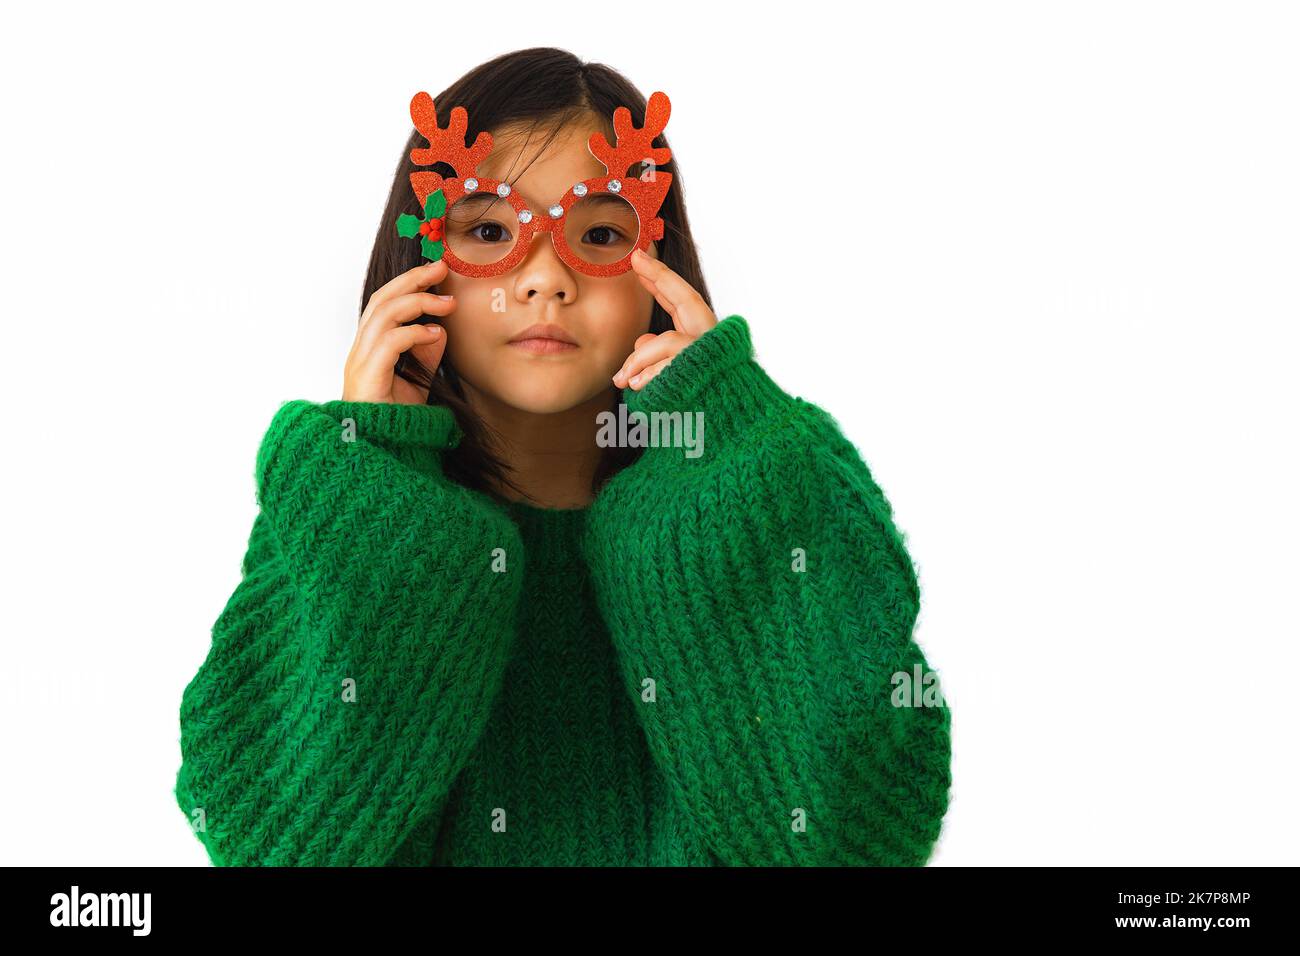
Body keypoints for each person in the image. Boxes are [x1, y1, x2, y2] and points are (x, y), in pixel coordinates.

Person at [173, 46, 952, 866]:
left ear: (662, 269)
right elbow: (272, 845)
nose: (544, 279)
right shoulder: (335, 500)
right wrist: (377, 489)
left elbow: (859, 838)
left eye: (602, 233)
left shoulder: (773, 470)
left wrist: (734, 465)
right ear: (416, 266)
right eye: (486, 230)